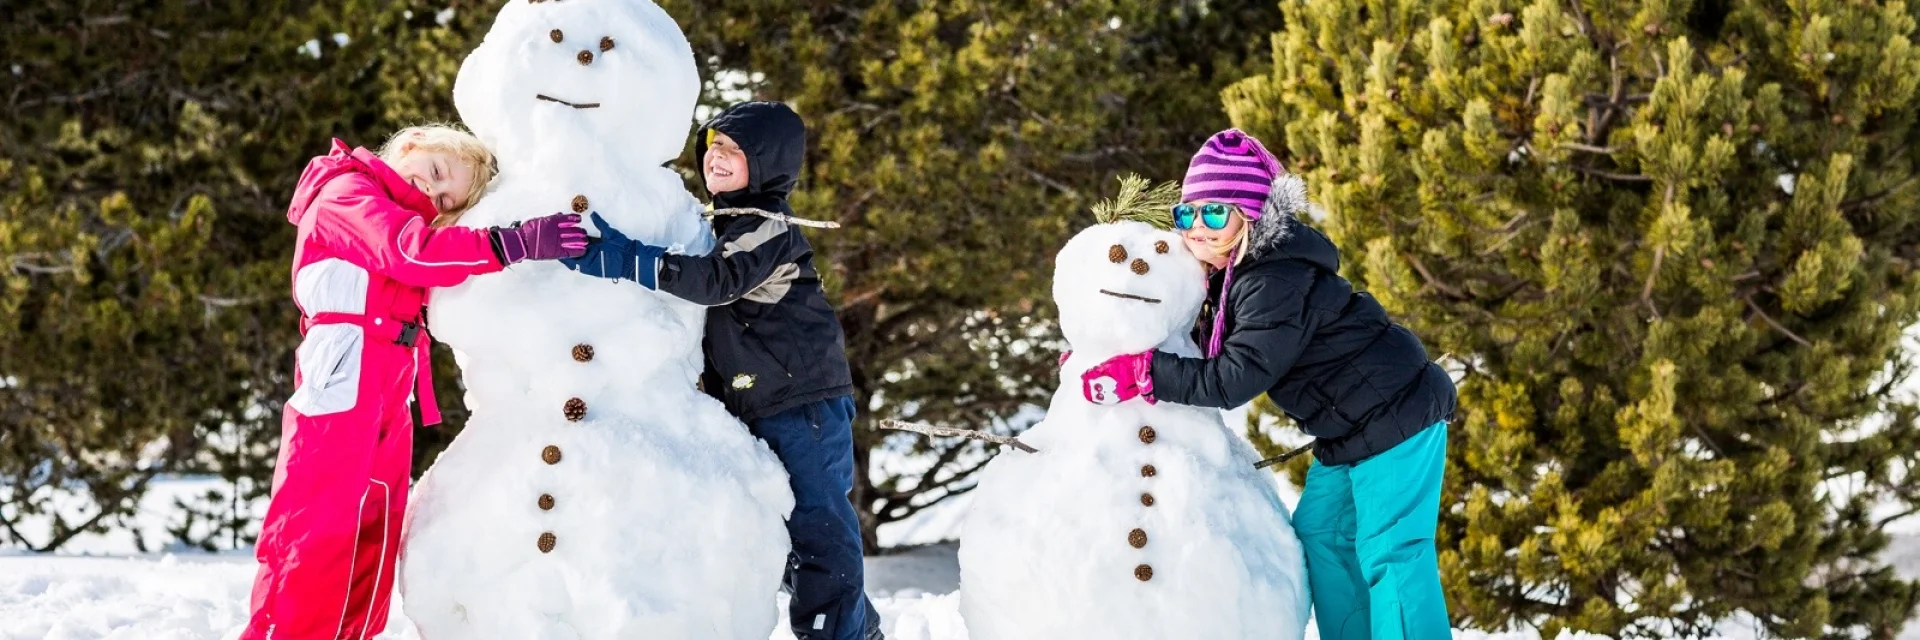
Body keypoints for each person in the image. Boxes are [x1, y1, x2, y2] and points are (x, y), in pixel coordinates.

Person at [1079, 129, 1457, 640]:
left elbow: (1234, 378)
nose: (1198, 229)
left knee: (1391, 549)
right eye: (1187, 214)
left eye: (1216, 213)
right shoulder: (1231, 275)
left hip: (1398, 414)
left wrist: (1145, 373)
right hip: (1346, 432)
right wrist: (1109, 346)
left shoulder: (1272, 278)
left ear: (1251, 216)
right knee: (1321, 535)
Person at [244, 125, 586, 640]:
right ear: (412, 144)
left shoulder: (396, 210)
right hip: (344, 375)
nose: (434, 192)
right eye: (436, 171)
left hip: (386, 381)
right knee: (319, 527)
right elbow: (409, 251)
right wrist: (514, 242)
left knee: (374, 529)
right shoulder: (347, 193)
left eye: (446, 196)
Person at [562, 102, 882, 640]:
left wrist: (625, 258)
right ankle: (857, 625)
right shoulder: (727, 225)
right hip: (760, 402)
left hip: (803, 403)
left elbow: (717, 281)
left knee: (818, 527)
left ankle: (840, 632)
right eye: (713, 146)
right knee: (777, 533)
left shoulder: (767, 227)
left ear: (769, 163)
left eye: (736, 150)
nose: (718, 158)